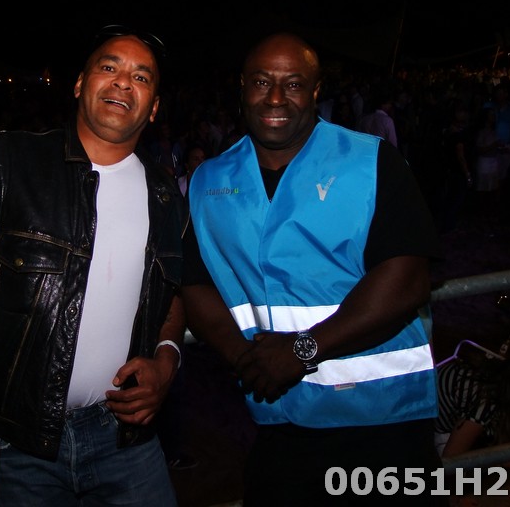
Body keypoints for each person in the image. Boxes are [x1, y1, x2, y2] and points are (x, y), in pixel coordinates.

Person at [182, 32, 444, 505]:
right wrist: (245, 360)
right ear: (242, 87)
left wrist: (302, 350)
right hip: (279, 417)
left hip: (383, 420)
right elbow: (195, 282)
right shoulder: (209, 179)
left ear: (316, 91)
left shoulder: (370, 160)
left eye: (294, 84)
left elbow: (407, 279)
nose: (276, 98)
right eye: (262, 81)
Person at [0, 24, 185, 506]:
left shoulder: (167, 196)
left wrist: (166, 361)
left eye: (141, 77)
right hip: (16, 443)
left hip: (125, 439)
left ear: (153, 108)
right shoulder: (6, 162)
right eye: (109, 67)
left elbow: (168, 296)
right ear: (80, 84)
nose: (123, 81)